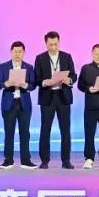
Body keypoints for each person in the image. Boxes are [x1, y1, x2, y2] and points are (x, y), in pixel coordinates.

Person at [33, 31, 77, 169]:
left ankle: (66, 160)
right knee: (45, 129)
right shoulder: (40, 58)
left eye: (55, 44)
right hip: (47, 96)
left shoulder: (66, 56)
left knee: (65, 130)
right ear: (46, 43)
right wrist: (45, 82)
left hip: (63, 97)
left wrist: (69, 80)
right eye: (50, 44)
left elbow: (74, 75)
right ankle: (44, 160)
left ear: (59, 42)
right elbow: (36, 79)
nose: (53, 47)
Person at [0, 41, 37, 170]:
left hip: (24, 104)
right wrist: (6, 84)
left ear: (24, 53)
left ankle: (26, 160)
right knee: (9, 132)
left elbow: (33, 85)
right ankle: (8, 160)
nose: (17, 54)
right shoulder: (4, 66)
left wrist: (26, 85)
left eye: (20, 52)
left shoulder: (29, 67)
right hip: (9, 103)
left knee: (25, 133)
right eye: (15, 51)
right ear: (11, 52)